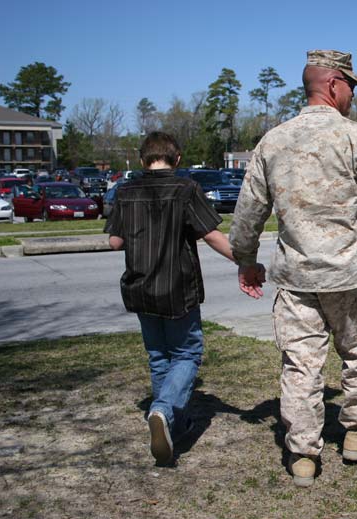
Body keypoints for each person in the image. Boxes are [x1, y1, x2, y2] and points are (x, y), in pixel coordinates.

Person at [229, 49, 357, 487]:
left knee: (301, 365)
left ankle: (303, 456)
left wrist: (246, 260)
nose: (353, 95)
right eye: (351, 85)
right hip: (349, 275)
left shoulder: (272, 141)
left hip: (295, 280)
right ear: (333, 84)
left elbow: (247, 213)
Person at [104, 131, 245, 465]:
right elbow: (211, 234)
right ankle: (164, 411)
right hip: (177, 287)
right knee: (186, 354)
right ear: (177, 158)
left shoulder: (126, 191)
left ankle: (175, 426)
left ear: (142, 159)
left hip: (139, 287)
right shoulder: (186, 189)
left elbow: (114, 242)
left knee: (158, 356)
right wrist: (245, 260)